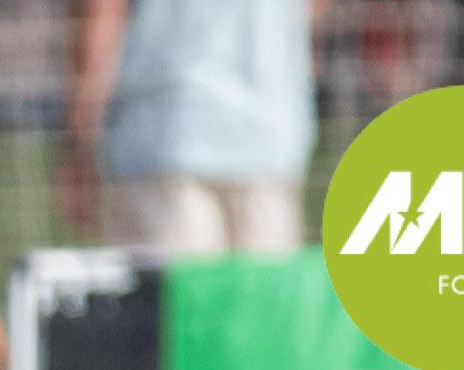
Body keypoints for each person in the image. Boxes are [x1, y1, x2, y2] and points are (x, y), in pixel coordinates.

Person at [63, 0, 315, 252]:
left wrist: (81, 139)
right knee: (266, 274)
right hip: (268, 136)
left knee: (175, 278)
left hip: (163, 134)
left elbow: (103, 12)